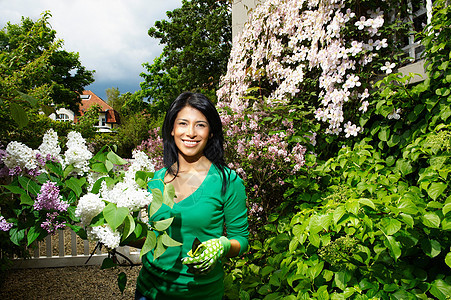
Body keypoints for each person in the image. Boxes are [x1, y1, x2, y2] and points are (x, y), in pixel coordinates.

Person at [135, 92, 249, 299]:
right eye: (183, 124)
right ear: (172, 129)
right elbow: (153, 238)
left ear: (211, 132)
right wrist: (119, 234)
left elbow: (240, 240)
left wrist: (221, 246)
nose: (191, 133)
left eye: (200, 125)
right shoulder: (155, 180)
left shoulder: (228, 181)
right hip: (149, 291)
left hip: (201, 293)